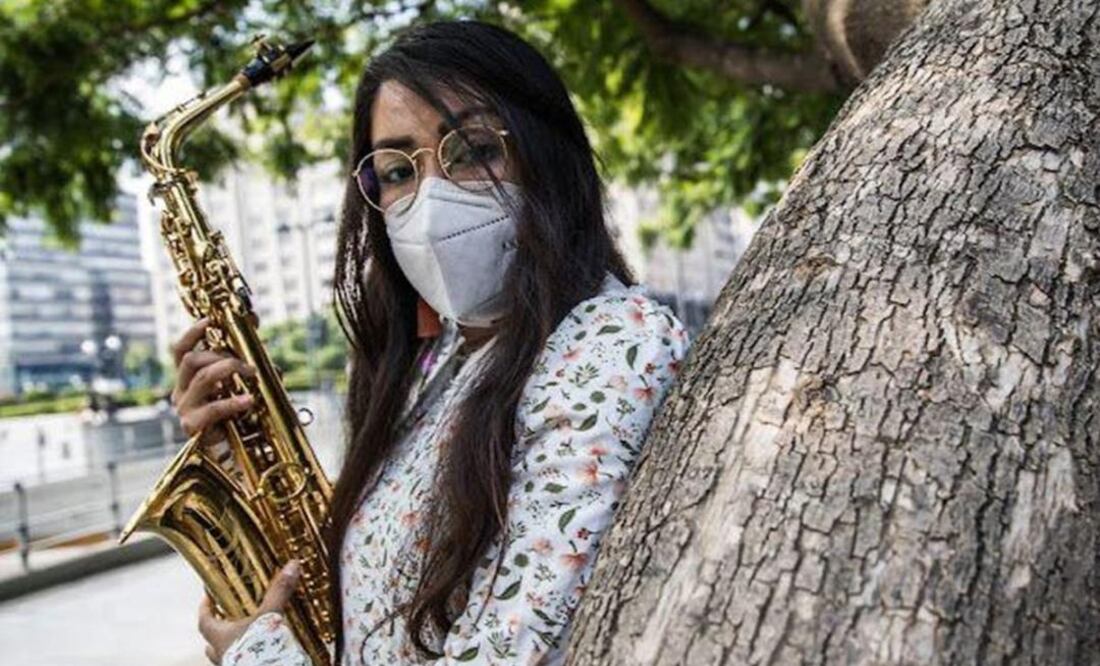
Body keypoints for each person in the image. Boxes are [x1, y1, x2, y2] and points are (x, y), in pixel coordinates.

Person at [173, 20, 689, 665]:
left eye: (472, 151)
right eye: (395, 170)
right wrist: (236, 458)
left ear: (548, 154)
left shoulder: (611, 343)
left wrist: (258, 656)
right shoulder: (443, 356)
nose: (431, 197)